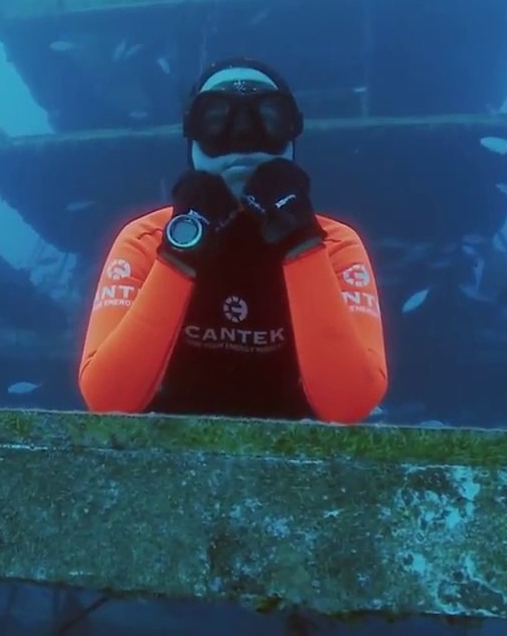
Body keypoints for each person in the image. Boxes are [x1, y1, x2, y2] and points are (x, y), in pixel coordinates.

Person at [77, 57, 388, 424]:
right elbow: (109, 398)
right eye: (216, 119)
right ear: (192, 136)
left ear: (290, 131)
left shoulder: (334, 245)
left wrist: (300, 240)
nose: (243, 135)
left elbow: (347, 404)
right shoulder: (145, 240)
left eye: (267, 117)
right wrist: (181, 250)